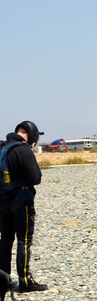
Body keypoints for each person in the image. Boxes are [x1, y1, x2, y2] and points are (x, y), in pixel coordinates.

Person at [0, 121, 47, 292]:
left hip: (3, 201)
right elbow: (35, 178)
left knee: (5, 240)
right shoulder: (22, 149)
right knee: (24, 239)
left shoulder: (3, 148)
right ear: (32, 134)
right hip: (21, 201)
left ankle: (3, 280)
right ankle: (25, 280)